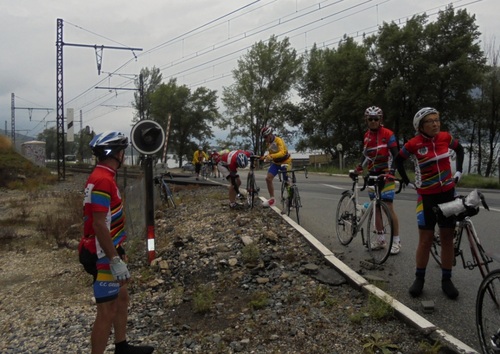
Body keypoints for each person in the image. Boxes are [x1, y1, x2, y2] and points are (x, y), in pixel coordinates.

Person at [78, 131, 154, 354]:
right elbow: (100, 224)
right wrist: (113, 259)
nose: (123, 155)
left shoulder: (103, 176)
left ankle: (121, 346)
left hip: (107, 248)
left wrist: (119, 250)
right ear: (117, 154)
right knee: (106, 311)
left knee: (121, 297)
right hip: (102, 254)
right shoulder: (102, 180)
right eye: (122, 151)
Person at [395, 107, 464, 299]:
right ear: (420, 126)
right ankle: (419, 278)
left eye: (437, 120)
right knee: (425, 240)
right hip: (426, 196)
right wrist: (407, 181)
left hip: (448, 194)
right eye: (430, 121)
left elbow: (459, 149)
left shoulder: (445, 137)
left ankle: (447, 279)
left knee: (447, 237)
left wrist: (458, 171)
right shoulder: (413, 144)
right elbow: (398, 160)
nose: (435, 124)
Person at [355, 106, 402, 255]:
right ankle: (381, 240)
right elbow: (365, 155)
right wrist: (359, 168)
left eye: (376, 119)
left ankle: (396, 241)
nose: (373, 121)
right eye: (371, 119)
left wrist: (392, 172)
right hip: (372, 174)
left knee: (388, 206)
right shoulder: (366, 136)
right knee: (376, 207)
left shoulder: (388, 134)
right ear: (366, 120)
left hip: (386, 174)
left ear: (381, 119)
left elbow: (396, 156)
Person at [260, 126, 292, 207]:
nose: (265, 139)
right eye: (264, 137)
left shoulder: (278, 140)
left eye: (265, 137)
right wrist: (265, 157)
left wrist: (271, 157)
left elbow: (282, 153)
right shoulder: (268, 143)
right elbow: (271, 153)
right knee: (268, 179)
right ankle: (272, 199)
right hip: (276, 163)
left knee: (287, 182)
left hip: (285, 162)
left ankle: (291, 200)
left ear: (270, 134)